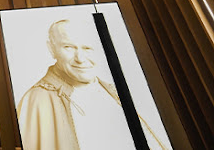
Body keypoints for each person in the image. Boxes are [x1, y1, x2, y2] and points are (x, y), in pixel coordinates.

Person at [17, 18, 169, 150]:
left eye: (87, 48)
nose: (80, 58)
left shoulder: (114, 90)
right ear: (52, 49)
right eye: (68, 47)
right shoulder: (37, 100)